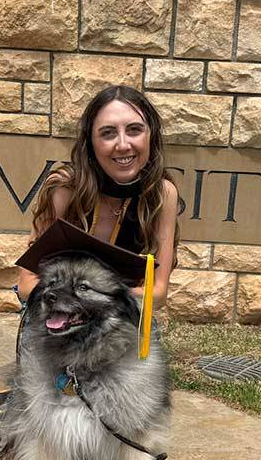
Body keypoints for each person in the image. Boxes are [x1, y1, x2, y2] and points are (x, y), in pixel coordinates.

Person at [16, 85, 179, 307]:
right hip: (58, 309)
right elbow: (27, 286)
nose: (123, 144)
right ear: (90, 143)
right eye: (108, 133)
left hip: (120, 313)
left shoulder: (162, 194)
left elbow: (158, 294)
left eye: (134, 130)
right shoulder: (64, 189)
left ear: (151, 135)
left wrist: (96, 296)